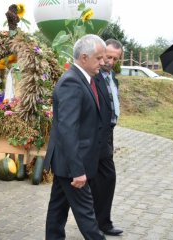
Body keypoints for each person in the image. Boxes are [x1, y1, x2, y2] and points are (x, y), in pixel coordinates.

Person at [44, 34, 106, 240]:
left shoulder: (83, 79)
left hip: (66, 161)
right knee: (87, 217)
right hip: (72, 164)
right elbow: (67, 130)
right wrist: (77, 170)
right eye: (99, 58)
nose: (103, 62)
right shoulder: (72, 82)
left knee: (57, 211)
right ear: (84, 57)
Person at [89, 39, 123, 236]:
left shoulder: (113, 78)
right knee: (105, 177)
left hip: (109, 133)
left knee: (103, 179)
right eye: (107, 56)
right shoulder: (95, 77)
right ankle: (100, 223)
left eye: (114, 58)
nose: (110, 61)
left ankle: (100, 222)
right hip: (97, 134)